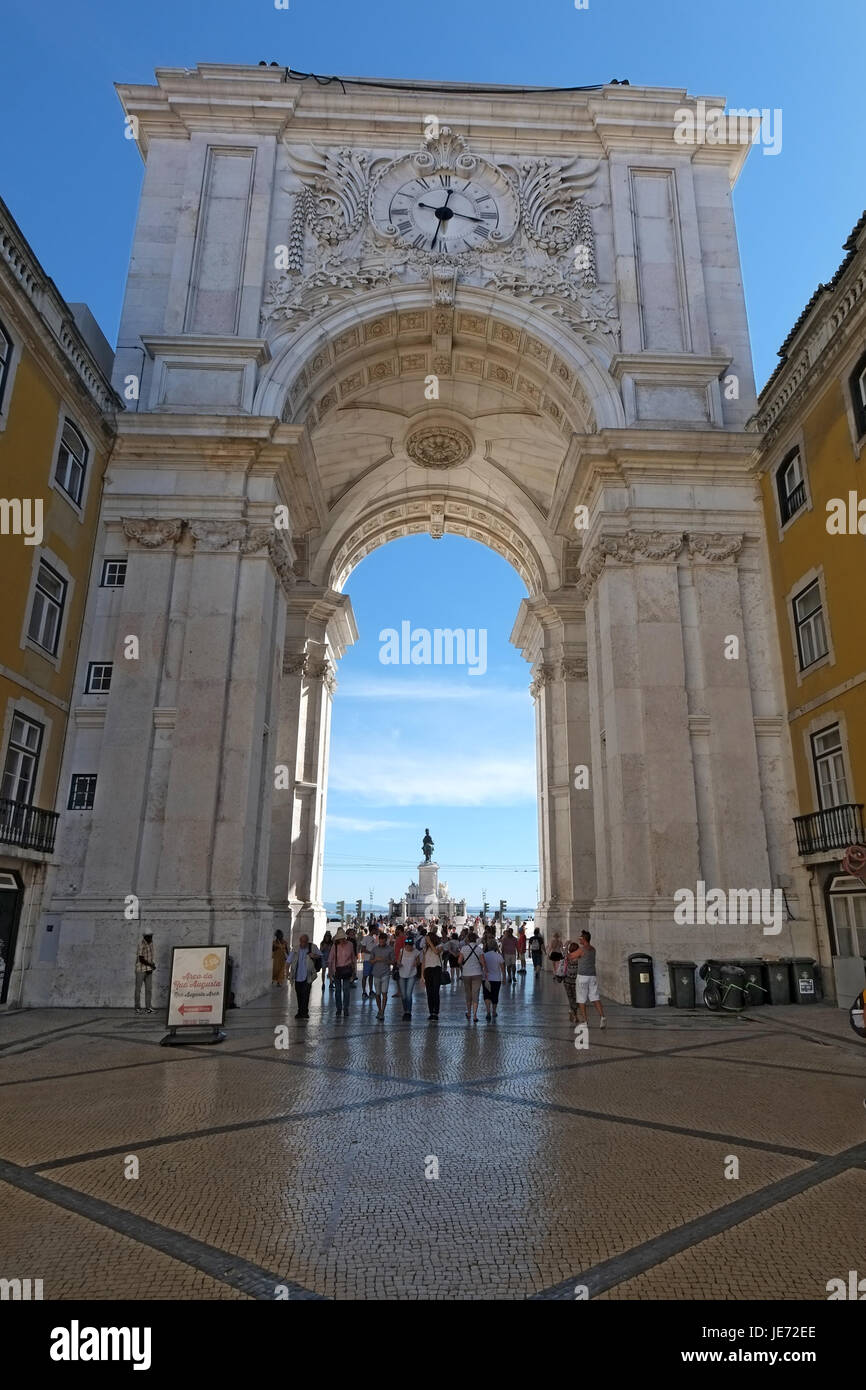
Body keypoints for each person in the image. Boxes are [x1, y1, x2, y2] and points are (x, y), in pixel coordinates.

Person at [574, 930, 606, 1029]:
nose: (579, 939)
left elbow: (571, 956)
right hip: (592, 976)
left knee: (581, 999)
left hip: (582, 976)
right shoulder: (593, 949)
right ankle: (602, 1017)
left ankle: (585, 1021)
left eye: (580, 938)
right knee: (595, 997)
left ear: (584, 939)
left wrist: (566, 949)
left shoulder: (581, 949)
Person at [287, 934, 320, 1019]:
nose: (303, 943)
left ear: (307, 941)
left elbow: (320, 955)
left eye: (305, 942)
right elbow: (288, 961)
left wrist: (314, 955)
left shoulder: (312, 947)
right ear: (299, 941)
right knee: (299, 994)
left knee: (306, 994)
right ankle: (300, 1011)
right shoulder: (295, 949)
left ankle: (304, 1011)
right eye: (301, 941)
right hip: (297, 976)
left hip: (308, 976)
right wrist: (287, 972)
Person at [329, 927, 357, 1016]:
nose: (342, 940)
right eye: (340, 939)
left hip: (347, 969)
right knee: (337, 991)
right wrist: (330, 972)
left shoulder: (350, 944)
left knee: (346, 990)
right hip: (336, 970)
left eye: (343, 938)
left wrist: (354, 970)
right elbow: (330, 959)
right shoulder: (335, 946)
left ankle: (346, 1008)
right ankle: (339, 1008)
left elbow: (353, 957)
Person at [459, 931, 485, 1022]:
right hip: (477, 973)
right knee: (476, 994)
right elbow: (483, 962)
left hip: (466, 974)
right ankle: (474, 1015)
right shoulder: (479, 949)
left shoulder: (463, 948)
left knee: (468, 994)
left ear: (468, 939)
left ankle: (469, 1012)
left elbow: (459, 961)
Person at [396, 931, 422, 1020]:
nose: (409, 947)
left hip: (412, 974)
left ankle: (408, 1012)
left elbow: (419, 961)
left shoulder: (416, 952)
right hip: (402, 974)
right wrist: (398, 964)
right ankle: (405, 1010)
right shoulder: (402, 950)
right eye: (407, 945)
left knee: (408, 994)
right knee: (403, 995)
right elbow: (398, 960)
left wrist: (416, 962)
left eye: (410, 945)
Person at [369, 930, 394, 1020]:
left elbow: (393, 961)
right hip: (376, 973)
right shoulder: (375, 949)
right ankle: (379, 1009)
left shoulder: (390, 949)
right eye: (380, 941)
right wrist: (375, 959)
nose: (382, 943)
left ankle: (382, 1011)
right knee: (377, 994)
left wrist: (387, 961)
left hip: (385, 973)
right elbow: (370, 961)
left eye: (383, 941)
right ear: (379, 940)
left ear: (386, 940)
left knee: (384, 993)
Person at [421, 930, 444, 1020]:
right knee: (429, 992)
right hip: (428, 970)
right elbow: (423, 962)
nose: (426, 941)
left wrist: (429, 942)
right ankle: (431, 1012)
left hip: (436, 969)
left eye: (427, 939)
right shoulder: (425, 949)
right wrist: (422, 975)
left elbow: (436, 952)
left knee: (435, 991)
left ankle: (436, 1012)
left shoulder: (440, 946)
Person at [482, 938, 505, 1021]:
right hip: (496, 979)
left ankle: (488, 1012)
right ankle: (494, 1012)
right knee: (495, 995)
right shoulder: (499, 956)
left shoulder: (484, 955)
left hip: (486, 978)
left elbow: (482, 966)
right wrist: (504, 978)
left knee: (486, 995)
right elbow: (502, 968)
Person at [134, 932, 156, 1015]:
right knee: (138, 989)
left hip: (149, 970)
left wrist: (152, 965)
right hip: (140, 970)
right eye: (148, 937)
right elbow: (141, 959)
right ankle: (137, 1008)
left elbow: (151, 956)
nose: (150, 938)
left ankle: (148, 1008)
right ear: (144, 937)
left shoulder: (151, 944)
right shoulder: (141, 944)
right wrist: (150, 964)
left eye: (151, 936)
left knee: (149, 989)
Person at [563, 940, 581, 1023]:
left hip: (567, 981)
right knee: (576, 999)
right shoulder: (580, 959)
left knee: (571, 998)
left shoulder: (568, 957)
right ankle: (574, 1014)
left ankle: (572, 1012)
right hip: (576, 982)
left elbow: (563, 952)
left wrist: (566, 945)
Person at [360, 923, 378, 999]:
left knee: (371, 976)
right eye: (376, 929)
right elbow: (363, 949)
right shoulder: (366, 938)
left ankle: (371, 991)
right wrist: (371, 953)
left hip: (373, 961)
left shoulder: (374, 938)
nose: (377, 930)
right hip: (367, 960)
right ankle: (364, 991)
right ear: (373, 930)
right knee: (365, 976)